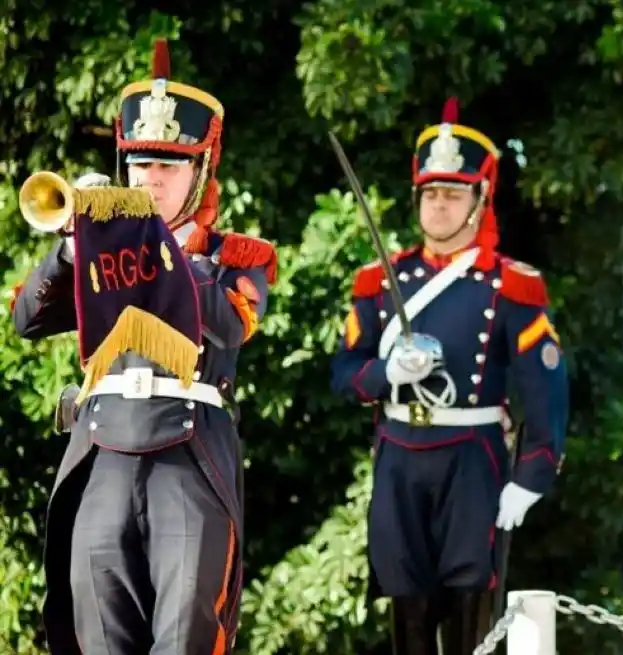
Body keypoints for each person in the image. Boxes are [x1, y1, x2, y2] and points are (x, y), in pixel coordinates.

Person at [10, 38, 277, 654]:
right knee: (99, 635)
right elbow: (27, 320)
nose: (151, 179)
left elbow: (230, 324)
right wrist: (75, 248)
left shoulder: (236, 257)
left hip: (188, 457)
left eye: (168, 165)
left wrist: (155, 243)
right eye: (140, 165)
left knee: (186, 635)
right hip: (101, 452)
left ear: (201, 170)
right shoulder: (101, 249)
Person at [330, 97, 569, 655]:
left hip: (472, 456)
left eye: (453, 194)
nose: (438, 206)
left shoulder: (509, 285)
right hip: (397, 451)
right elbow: (345, 374)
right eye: (430, 193)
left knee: (469, 606)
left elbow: (546, 391)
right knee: (404, 597)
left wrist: (532, 477)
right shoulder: (379, 283)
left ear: (480, 199)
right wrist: (386, 373)